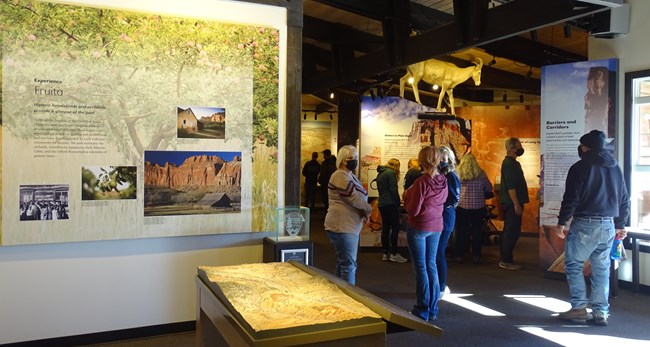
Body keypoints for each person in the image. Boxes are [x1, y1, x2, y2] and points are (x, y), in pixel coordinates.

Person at [554, 130, 630, 326]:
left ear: (585, 147)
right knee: (601, 270)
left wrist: (562, 222)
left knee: (573, 265)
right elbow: (624, 199)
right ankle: (600, 312)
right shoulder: (615, 168)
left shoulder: (579, 167)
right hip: (608, 226)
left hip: (584, 225)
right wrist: (621, 224)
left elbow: (571, 198)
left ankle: (579, 308)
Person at [403, 146, 448, 321]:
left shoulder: (422, 182)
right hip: (436, 227)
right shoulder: (443, 180)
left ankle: (422, 309)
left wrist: (406, 198)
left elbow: (413, 210)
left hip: (419, 227)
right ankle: (432, 308)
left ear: (422, 161)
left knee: (421, 267)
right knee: (432, 266)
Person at [324, 145, 372, 285]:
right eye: (351, 158)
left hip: (348, 225)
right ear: (343, 160)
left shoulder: (349, 175)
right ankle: (349, 298)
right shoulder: (339, 175)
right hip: (342, 226)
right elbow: (354, 198)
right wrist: (368, 210)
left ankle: (340, 295)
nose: (354, 161)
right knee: (348, 266)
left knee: (343, 263)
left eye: (356, 158)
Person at [453, 152, 494, 264]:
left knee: (462, 231)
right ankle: (476, 255)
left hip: (462, 207)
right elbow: (489, 189)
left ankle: (459, 255)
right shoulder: (481, 174)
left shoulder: (458, 173)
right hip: (478, 207)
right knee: (477, 231)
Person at [498, 137, 528, 270]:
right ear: (512, 149)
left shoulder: (514, 163)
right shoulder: (509, 164)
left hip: (513, 203)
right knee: (511, 232)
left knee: (511, 231)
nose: (521, 148)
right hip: (511, 204)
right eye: (519, 146)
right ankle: (506, 260)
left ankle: (506, 258)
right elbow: (511, 187)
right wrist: (516, 203)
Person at [436, 146, 459, 296]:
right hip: (437, 216)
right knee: (434, 253)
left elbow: (454, 198)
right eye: (440, 157)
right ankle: (438, 285)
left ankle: (442, 287)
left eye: (445, 158)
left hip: (445, 216)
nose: (443, 160)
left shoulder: (451, 176)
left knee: (438, 253)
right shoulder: (438, 174)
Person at [376, 158, 408, 263]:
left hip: (382, 204)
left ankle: (385, 253)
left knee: (385, 228)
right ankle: (394, 253)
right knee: (395, 228)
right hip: (390, 204)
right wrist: (398, 203)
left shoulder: (381, 173)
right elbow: (393, 191)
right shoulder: (390, 174)